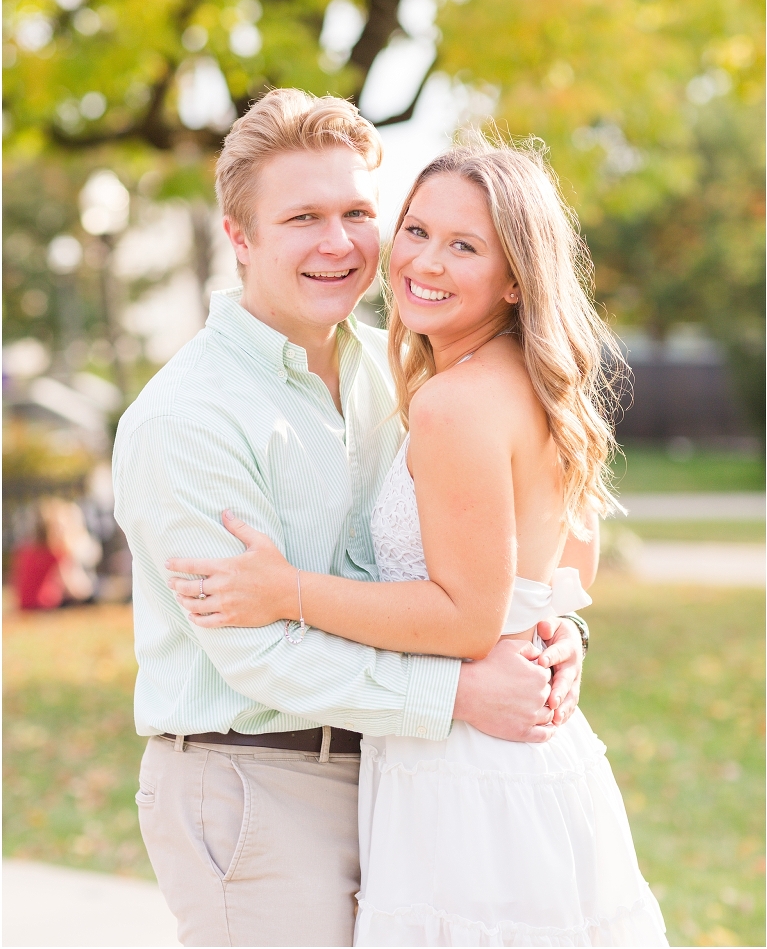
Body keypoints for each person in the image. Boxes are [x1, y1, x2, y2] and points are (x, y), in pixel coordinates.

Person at [113, 90, 586, 948]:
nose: (338, 243)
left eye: (358, 212)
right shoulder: (185, 420)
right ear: (240, 235)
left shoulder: (394, 368)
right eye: (302, 216)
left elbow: (486, 545)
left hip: (394, 776)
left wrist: (552, 641)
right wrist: (463, 692)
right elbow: (258, 654)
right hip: (255, 780)